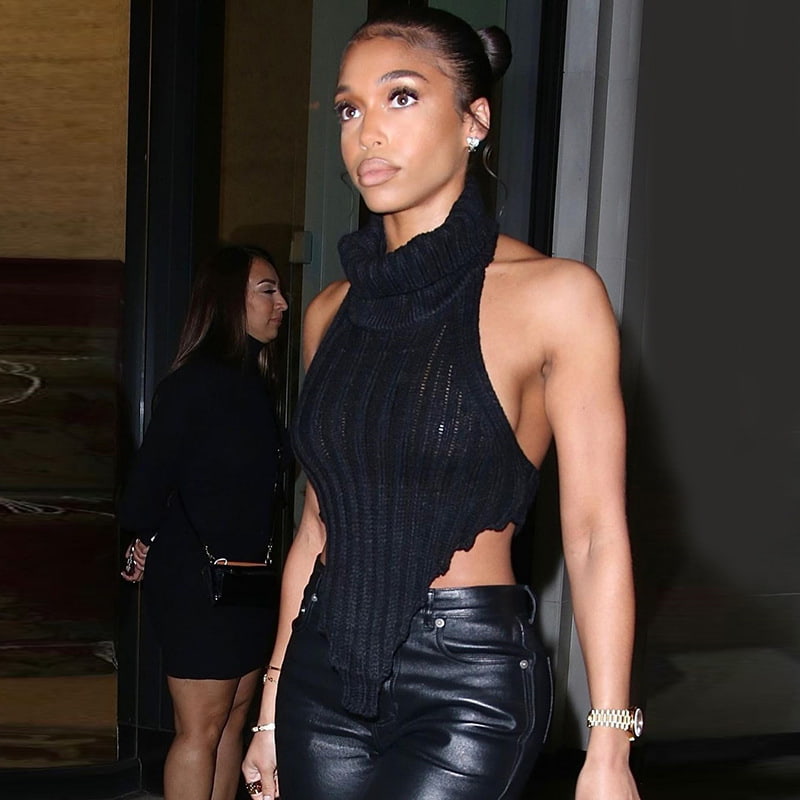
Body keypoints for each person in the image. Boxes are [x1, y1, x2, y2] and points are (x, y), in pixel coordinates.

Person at [243, 8, 641, 800]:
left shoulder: (555, 297)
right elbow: (317, 525)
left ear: (474, 121)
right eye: (349, 109)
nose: (367, 132)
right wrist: (269, 710)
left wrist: (610, 749)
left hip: (467, 682)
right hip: (321, 671)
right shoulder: (328, 313)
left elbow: (596, 534)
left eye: (401, 97)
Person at [119, 245, 289, 800]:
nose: (282, 304)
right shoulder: (194, 384)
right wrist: (142, 538)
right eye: (267, 290)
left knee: (233, 724)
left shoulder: (256, 386)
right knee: (202, 728)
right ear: (227, 301)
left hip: (248, 580)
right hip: (197, 580)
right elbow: (147, 485)